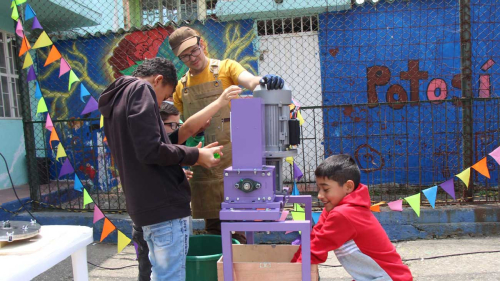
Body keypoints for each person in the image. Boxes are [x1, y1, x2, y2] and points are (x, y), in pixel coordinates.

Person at [98, 57, 224, 281]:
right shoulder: (141, 89)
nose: (159, 105)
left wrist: (192, 152)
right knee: (170, 276)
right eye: (165, 96)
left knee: (160, 275)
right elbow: (151, 150)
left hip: (146, 206)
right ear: (158, 80)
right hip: (164, 207)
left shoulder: (117, 98)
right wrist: (196, 156)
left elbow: (149, 148)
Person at [168, 26, 285, 241]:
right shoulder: (180, 88)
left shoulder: (226, 68)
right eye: (184, 56)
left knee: (239, 219)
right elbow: (184, 128)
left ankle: (238, 260)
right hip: (203, 160)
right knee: (213, 225)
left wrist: (263, 81)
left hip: (235, 156)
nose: (191, 58)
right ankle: (219, 267)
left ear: (201, 43)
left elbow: (249, 80)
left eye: (193, 50)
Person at [130, 83, 242, 281]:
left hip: (157, 216)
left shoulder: (161, 143)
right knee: (152, 270)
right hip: (159, 218)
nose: (176, 129)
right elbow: (187, 129)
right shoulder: (153, 146)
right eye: (171, 125)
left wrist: (184, 166)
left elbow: (187, 130)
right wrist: (220, 101)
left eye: (177, 124)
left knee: (161, 270)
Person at [291, 154, 413, 281]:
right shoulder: (333, 208)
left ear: (348, 187)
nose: (320, 195)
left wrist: (290, 273)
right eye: (319, 189)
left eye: (325, 189)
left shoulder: (343, 214)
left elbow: (316, 250)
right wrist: (291, 267)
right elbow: (314, 239)